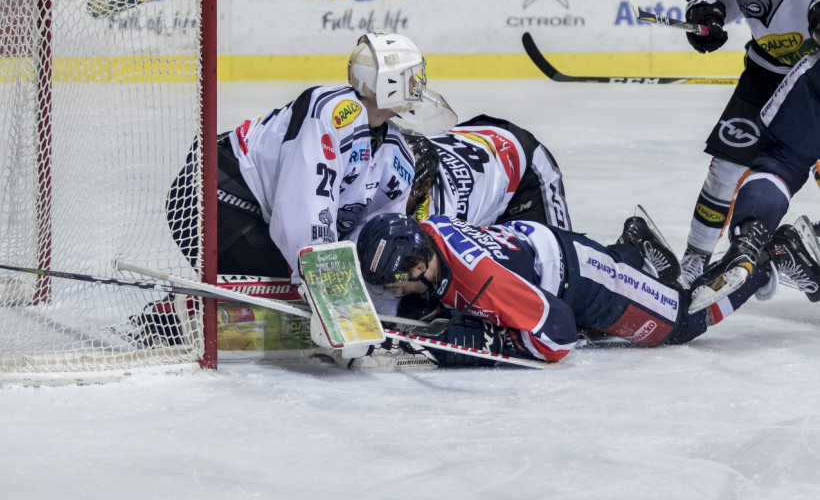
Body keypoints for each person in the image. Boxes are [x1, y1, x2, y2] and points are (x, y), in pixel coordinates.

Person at [343, 211, 820, 369]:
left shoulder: (483, 280)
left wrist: (475, 346)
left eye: (392, 279)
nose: (391, 288)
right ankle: (632, 247)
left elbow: (558, 337)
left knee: (681, 322)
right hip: (548, 254)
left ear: (415, 262)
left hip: (585, 282)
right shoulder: (428, 231)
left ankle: (778, 254)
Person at [166, 31, 457, 283]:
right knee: (289, 285)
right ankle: (167, 320)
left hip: (260, 215)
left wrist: (377, 281)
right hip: (210, 199)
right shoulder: (331, 112)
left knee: (305, 280)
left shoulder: (397, 154)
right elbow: (303, 199)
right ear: (389, 82)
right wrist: (322, 274)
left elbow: (376, 233)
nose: (419, 85)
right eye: (412, 77)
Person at [676, 0, 819, 288]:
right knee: (725, 167)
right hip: (766, 70)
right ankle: (694, 262)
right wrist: (712, 11)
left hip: (815, 73)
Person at [405, 114, 572, 231]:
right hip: (473, 143)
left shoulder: (443, 218)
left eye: (403, 192)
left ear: (425, 186)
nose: (393, 195)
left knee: (554, 259)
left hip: (521, 165)